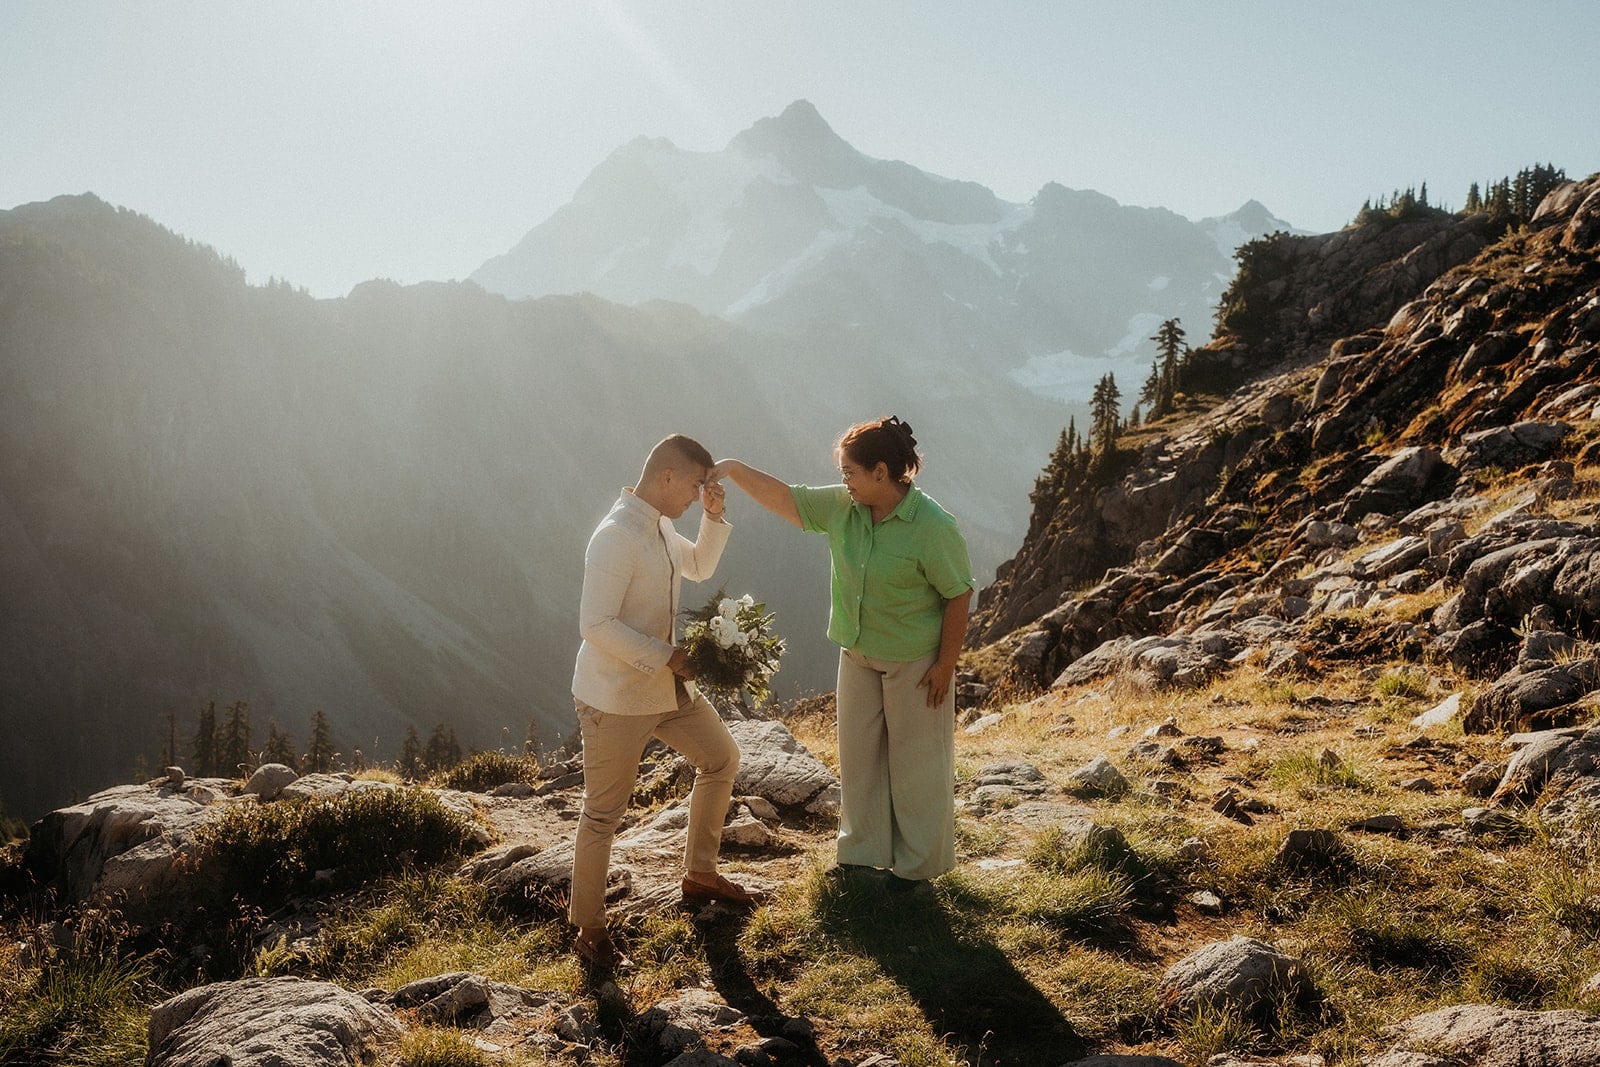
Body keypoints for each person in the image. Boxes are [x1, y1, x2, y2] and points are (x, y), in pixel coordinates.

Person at [713, 416, 975, 889]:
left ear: (881, 471)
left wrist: (944, 666)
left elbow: (959, 593)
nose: (844, 481)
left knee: (917, 766)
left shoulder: (932, 526)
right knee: (858, 759)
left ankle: (917, 870)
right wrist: (733, 469)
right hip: (856, 655)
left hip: (913, 662)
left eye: (850, 472)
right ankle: (860, 855)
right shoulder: (843, 507)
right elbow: (787, 499)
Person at [570, 433, 761, 971]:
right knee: (604, 813)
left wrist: (714, 517)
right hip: (614, 697)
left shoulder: (659, 523)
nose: (697, 494)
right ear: (668, 477)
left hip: (665, 690)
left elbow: (698, 566)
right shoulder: (615, 536)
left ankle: (700, 873)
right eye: (696, 486)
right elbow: (595, 624)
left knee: (721, 758)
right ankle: (589, 929)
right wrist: (668, 655)